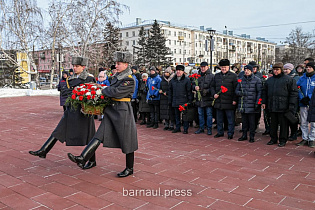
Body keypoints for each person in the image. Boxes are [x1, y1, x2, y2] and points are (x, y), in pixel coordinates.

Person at [68, 51, 138, 177]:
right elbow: (110, 89)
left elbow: (115, 92)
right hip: (111, 111)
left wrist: (104, 90)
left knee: (127, 141)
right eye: (116, 63)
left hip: (123, 112)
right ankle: (83, 157)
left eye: (119, 64)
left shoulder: (129, 80)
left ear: (126, 65)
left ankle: (129, 168)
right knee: (98, 136)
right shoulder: (118, 77)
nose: (116, 66)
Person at [29, 57, 97, 169]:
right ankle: (44, 150)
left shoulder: (89, 78)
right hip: (71, 110)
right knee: (58, 130)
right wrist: (75, 90)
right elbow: (65, 91)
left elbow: (89, 93)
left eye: (77, 66)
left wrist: (75, 91)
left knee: (90, 135)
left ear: (83, 67)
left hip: (83, 111)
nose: (74, 68)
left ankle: (92, 161)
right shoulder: (71, 78)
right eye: (74, 66)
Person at [262, 63, 298, 147]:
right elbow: (264, 92)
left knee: (283, 125)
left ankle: (282, 139)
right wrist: (264, 102)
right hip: (272, 105)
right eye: (274, 69)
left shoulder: (289, 80)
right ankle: (273, 138)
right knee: (273, 124)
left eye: (277, 69)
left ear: (281, 70)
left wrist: (291, 105)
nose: (275, 71)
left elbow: (293, 93)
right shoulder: (269, 80)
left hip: (284, 106)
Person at [212, 59, 238, 139]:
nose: (223, 69)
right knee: (219, 119)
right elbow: (212, 86)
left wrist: (235, 99)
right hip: (219, 101)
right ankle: (220, 132)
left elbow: (236, 89)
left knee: (230, 119)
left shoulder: (233, 76)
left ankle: (230, 133)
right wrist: (214, 94)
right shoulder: (216, 76)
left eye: (225, 67)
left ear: (229, 67)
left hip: (229, 101)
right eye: (222, 67)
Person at [235, 65, 262, 143]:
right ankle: (244, 135)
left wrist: (257, 102)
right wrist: (241, 93)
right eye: (245, 70)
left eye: (248, 70)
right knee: (244, 121)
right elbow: (236, 91)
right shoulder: (241, 80)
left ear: (251, 71)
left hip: (252, 103)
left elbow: (259, 92)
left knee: (252, 122)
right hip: (243, 104)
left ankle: (252, 136)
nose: (246, 71)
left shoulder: (257, 80)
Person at [169, 65, 192, 134]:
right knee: (176, 115)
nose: (178, 72)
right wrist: (170, 100)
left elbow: (189, 91)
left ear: (183, 71)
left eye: (180, 70)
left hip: (184, 101)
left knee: (185, 116)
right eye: (177, 70)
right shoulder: (173, 80)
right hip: (175, 100)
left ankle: (185, 128)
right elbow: (170, 91)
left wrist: (189, 100)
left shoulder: (186, 80)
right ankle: (177, 127)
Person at [296, 62, 315, 148]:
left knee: (313, 122)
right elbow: (297, 88)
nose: (308, 69)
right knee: (303, 121)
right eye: (307, 67)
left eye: (310, 67)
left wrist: (310, 97)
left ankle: (312, 138)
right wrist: (302, 98)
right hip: (303, 103)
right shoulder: (302, 78)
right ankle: (305, 137)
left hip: (313, 103)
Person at [193, 61, 215, 135]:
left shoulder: (212, 76)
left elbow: (213, 87)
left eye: (204, 67)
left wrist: (206, 91)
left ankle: (209, 128)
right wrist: (195, 87)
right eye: (201, 67)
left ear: (207, 67)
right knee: (200, 114)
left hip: (208, 98)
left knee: (209, 114)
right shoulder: (198, 76)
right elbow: (193, 84)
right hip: (200, 99)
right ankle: (201, 128)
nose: (202, 68)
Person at [283, 63, 300, 140]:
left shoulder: (296, 78)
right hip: (284, 100)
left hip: (293, 100)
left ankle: (294, 133)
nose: (286, 71)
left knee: (292, 117)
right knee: (286, 118)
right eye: (285, 69)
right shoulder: (283, 77)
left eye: (287, 69)